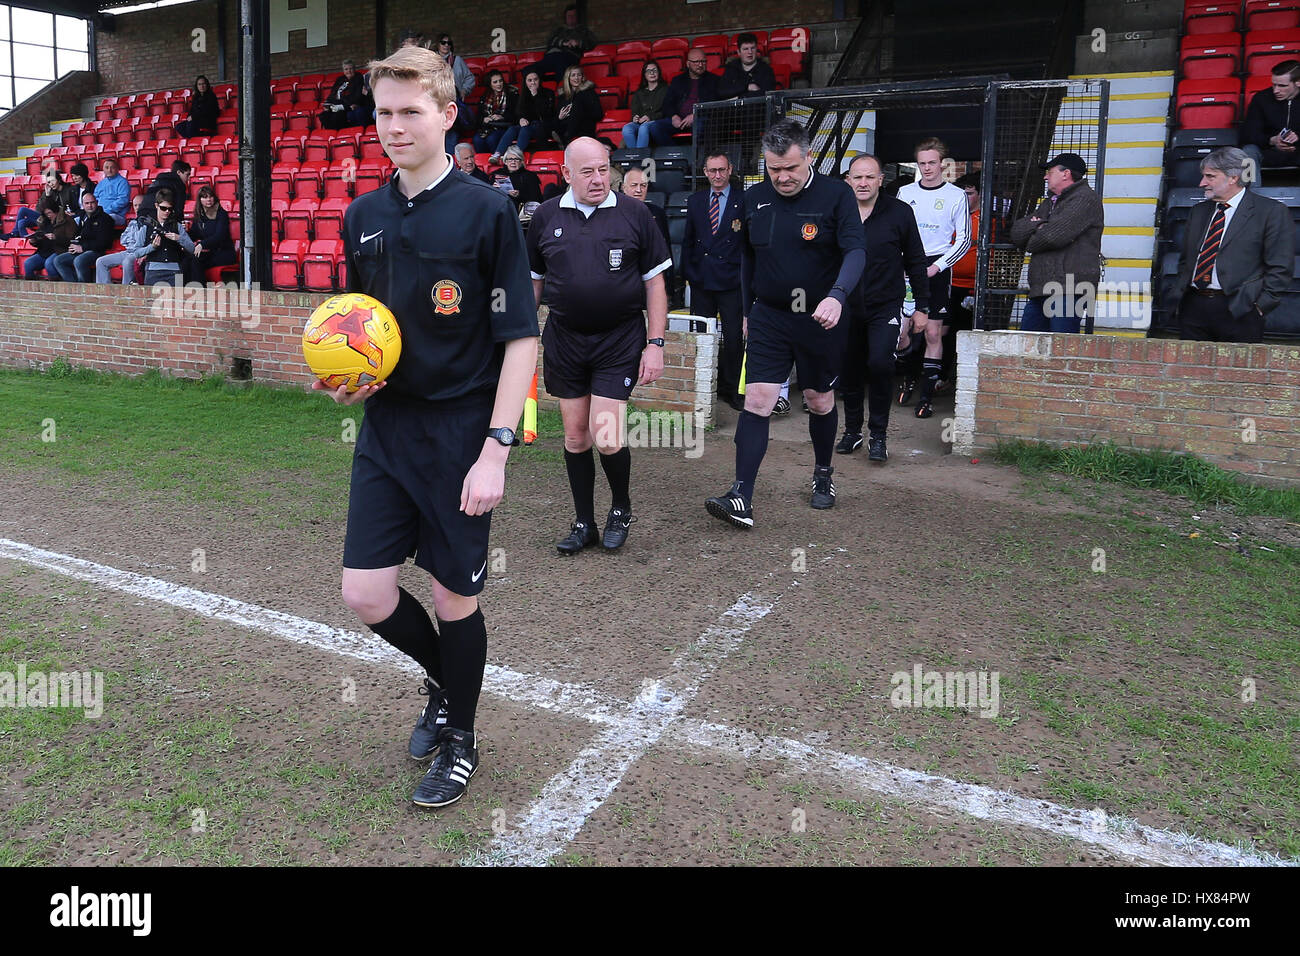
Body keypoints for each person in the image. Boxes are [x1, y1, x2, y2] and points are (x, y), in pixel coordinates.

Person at [316, 46, 538, 810]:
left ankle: (463, 737)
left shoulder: (487, 210)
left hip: (460, 434)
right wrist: (352, 376)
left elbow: (520, 339)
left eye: (410, 111)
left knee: (454, 600)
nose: (394, 126)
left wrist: (496, 449)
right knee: (366, 593)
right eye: (383, 112)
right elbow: (363, 327)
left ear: (447, 115)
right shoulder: (362, 216)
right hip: (387, 430)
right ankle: (447, 682)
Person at [704, 119, 865, 528]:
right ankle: (741, 494)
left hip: (820, 319)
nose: (783, 177)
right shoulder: (753, 198)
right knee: (757, 401)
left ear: (807, 157)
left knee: (818, 401)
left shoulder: (837, 195)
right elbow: (747, 261)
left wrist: (838, 295)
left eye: (790, 168)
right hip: (769, 317)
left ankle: (823, 475)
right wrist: (745, 311)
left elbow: (856, 252)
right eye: (774, 169)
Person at [527, 137, 671, 554]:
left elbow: (655, 283)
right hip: (565, 338)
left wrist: (656, 343)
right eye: (587, 171)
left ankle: (621, 509)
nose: (598, 179)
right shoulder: (546, 216)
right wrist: (519, 333)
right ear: (566, 174)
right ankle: (583, 522)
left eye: (603, 169)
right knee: (575, 437)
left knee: (605, 435)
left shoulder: (636, 214)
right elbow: (534, 281)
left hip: (619, 338)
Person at [836, 154, 929, 463]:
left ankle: (878, 435)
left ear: (880, 180)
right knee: (849, 369)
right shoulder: (836, 212)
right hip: (844, 305)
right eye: (856, 177)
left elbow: (916, 262)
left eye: (869, 177)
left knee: (879, 364)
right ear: (848, 180)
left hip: (885, 304)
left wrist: (921, 308)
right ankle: (852, 432)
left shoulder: (900, 213)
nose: (862, 183)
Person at [1174, 147, 1293, 343]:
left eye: (1210, 176)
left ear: (1233, 178)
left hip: (1240, 310)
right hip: (1193, 307)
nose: (1202, 183)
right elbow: (1186, 260)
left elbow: (1281, 267)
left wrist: (1260, 307)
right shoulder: (1198, 211)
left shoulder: (1271, 212)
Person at [895, 137, 969, 419]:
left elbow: (963, 240)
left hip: (937, 267)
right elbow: (896, 231)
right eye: (922, 163)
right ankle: (908, 376)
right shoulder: (904, 192)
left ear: (942, 164)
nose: (927, 168)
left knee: (933, 332)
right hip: (907, 267)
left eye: (932, 163)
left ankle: (925, 397)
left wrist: (938, 266)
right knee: (904, 330)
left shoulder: (955, 195)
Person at [1008, 151, 1104, 335]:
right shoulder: (1051, 201)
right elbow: (1017, 232)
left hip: (1069, 287)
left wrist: (1035, 231)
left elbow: (1052, 236)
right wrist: (1039, 226)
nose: (1045, 177)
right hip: (1042, 287)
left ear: (1066, 173)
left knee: (1062, 347)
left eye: (1050, 172)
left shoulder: (1085, 198)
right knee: (1028, 344)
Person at [682, 150, 745, 410]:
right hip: (702, 281)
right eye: (712, 170)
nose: (717, 175)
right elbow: (688, 241)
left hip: (732, 280)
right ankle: (703, 385)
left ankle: (732, 390)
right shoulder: (696, 200)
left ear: (730, 170)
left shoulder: (744, 199)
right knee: (702, 336)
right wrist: (690, 274)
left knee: (733, 338)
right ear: (705, 172)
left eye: (721, 170)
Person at [941, 172, 981, 386]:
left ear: (980, 195)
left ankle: (962, 381)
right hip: (946, 284)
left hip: (971, 289)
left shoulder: (986, 221)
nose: (965, 198)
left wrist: (978, 289)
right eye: (962, 194)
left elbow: (992, 256)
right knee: (940, 333)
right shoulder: (949, 215)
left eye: (970, 194)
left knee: (963, 335)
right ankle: (940, 376)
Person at [620, 163, 672, 302]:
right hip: (622, 288)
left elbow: (666, 252)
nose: (639, 190)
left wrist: (668, 289)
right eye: (634, 185)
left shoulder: (658, 213)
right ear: (624, 187)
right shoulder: (612, 214)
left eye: (643, 185)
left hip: (652, 288)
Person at [1242, 59, 1300, 181]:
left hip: (1297, 151)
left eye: (1282, 86)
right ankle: (1248, 196)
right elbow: (1247, 135)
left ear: (1298, 83)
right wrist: (1272, 140)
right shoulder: (1261, 99)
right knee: (1248, 152)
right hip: (1268, 150)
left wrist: (1298, 137)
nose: (1276, 90)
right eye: (1274, 84)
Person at [649, 49, 721, 146]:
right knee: (654, 127)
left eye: (703, 61)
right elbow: (667, 103)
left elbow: (714, 103)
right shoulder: (677, 80)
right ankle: (675, 154)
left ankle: (696, 158)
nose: (700, 65)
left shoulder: (714, 80)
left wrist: (695, 115)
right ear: (688, 64)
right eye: (696, 62)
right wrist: (674, 116)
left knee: (701, 126)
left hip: (700, 119)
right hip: (679, 119)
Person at [50, 190, 116, 283]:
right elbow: (78, 235)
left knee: (79, 261)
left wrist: (83, 247)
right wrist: (73, 246)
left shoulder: (105, 219)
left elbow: (104, 243)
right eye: (87, 203)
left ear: (97, 203)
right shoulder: (82, 216)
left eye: (92, 202)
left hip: (97, 251)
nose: (90, 205)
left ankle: (84, 289)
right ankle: (73, 287)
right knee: (58, 260)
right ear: (83, 205)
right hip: (82, 249)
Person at [495, 67, 555, 158]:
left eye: (535, 79)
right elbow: (519, 112)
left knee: (525, 129)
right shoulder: (522, 94)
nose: (533, 83)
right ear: (525, 82)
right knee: (512, 129)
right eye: (529, 80)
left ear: (539, 80)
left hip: (542, 126)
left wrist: (536, 96)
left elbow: (546, 114)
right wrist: (521, 119)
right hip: (528, 125)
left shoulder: (548, 93)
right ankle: (497, 154)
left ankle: (516, 155)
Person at [140, 188, 195, 286]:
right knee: (151, 300)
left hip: (175, 269)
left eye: (170, 209)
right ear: (156, 206)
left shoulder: (177, 226)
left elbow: (192, 248)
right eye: (163, 208)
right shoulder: (146, 226)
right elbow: (136, 251)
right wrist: (151, 247)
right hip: (153, 270)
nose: (167, 211)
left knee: (176, 300)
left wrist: (179, 238)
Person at [185, 185, 236, 283]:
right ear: (200, 200)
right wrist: (183, 234)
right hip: (210, 252)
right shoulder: (200, 215)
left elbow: (219, 236)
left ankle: (200, 291)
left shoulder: (221, 214)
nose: (208, 199)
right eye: (204, 197)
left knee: (196, 261)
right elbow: (194, 234)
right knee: (186, 260)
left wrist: (202, 244)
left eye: (210, 196)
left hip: (224, 253)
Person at [535, 3, 597, 81]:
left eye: (573, 16)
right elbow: (549, 42)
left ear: (577, 17)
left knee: (561, 66)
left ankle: (563, 90)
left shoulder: (583, 30)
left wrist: (578, 43)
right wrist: (563, 43)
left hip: (569, 57)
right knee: (529, 70)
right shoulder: (558, 30)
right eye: (569, 16)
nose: (571, 18)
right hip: (551, 57)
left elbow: (592, 42)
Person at [96, 194, 148, 284]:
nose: (138, 208)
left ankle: (125, 293)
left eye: (140, 205)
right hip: (128, 251)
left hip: (139, 253)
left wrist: (133, 242)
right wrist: (132, 241)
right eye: (135, 205)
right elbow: (123, 239)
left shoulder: (150, 221)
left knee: (127, 262)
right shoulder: (132, 222)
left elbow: (142, 242)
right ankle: (105, 293)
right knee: (101, 261)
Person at [6, 167, 68, 239]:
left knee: (22, 214)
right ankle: (24, 240)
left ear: (59, 180)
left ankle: (15, 234)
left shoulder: (66, 191)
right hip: (44, 217)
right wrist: (47, 195)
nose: (51, 184)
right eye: (49, 182)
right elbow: (39, 208)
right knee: (21, 221)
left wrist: (48, 197)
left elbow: (58, 207)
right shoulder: (48, 192)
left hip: (54, 217)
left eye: (53, 181)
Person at [23, 201, 77, 280]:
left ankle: (55, 286)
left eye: (50, 213)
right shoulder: (44, 221)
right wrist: (34, 241)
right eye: (46, 213)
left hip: (60, 250)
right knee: (28, 263)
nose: (48, 215)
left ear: (56, 211)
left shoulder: (67, 220)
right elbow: (40, 238)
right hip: (44, 251)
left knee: (49, 263)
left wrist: (56, 238)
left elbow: (71, 239)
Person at [622, 61, 670, 150]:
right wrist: (635, 117)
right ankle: (634, 156)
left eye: (654, 70)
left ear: (659, 73)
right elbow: (635, 110)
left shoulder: (666, 89)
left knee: (644, 127)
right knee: (627, 128)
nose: (652, 73)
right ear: (644, 74)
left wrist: (650, 117)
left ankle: (640, 158)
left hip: (657, 121)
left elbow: (667, 111)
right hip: (641, 122)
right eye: (648, 71)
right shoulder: (639, 92)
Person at [553, 65, 603, 146]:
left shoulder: (589, 92)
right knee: (556, 121)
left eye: (579, 75)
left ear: (582, 77)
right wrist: (560, 117)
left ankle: (566, 139)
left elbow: (598, 114)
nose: (576, 78)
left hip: (585, 124)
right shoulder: (563, 96)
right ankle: (563, 140)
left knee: (577, 107)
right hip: (566, 125)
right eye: (573, 75)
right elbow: (558, 115)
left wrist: (580, 113)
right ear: (568, 78)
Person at [473, 70, 518, 158]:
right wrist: (484, 119)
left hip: (504, 127)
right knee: (477, 140)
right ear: (490, 84)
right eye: (495, 82)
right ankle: (483, 163)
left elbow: (516, 115)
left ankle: (496, 161)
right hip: (487, 127)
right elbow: (478, 116)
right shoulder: (485, 96)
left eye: (500, 81)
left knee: (491, 139)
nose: (499, 84)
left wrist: (502, 117)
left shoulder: (512, 94)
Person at [319, 60, 373, 131]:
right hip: (335, 104)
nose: (349, 71)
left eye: (351, 69)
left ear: (354, 69)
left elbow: (357, 97)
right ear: (343, 71)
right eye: (346, 69)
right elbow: (333, 93)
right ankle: (332, 135)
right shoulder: (340, 79)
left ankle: (341, 135)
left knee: (338, 116)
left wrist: (342, 106)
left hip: (346, 105)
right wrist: (327, 103)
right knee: (323, 115)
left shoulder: (358, 78)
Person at [718, 33, 776, 99]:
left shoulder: (766, 70)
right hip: (735, 109)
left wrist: (738, 97)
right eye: (745, 49)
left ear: (756, 49)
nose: (750, 52)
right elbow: (722, 92)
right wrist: (747, 87)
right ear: (739, 52)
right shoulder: (731, 69)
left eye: (752, 48)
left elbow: (766, 94)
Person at [175, 75, 220, 139]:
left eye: (203, 84)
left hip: (207, 120)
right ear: (197, 86)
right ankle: (193, 140)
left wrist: (193, 117)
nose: (202, 86)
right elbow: (192, 109)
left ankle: (193, 141)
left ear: (207, 85)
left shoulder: (211, 96)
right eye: (199, 84)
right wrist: (189, 117)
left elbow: (206, 110)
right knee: (179, 126)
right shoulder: (196, 97)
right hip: (197, 120)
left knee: (191, 124)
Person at [95, 158, 131, 227]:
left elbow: (123, 200)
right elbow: (95, 198)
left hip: (116, 215)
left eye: (112, 168)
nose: (109, 170)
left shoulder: (123, 182)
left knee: (102, 219)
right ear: (103, 169)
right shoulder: (101, 183)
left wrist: (106, 211)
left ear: (117, 169)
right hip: (100, 213)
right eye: (106, 168)